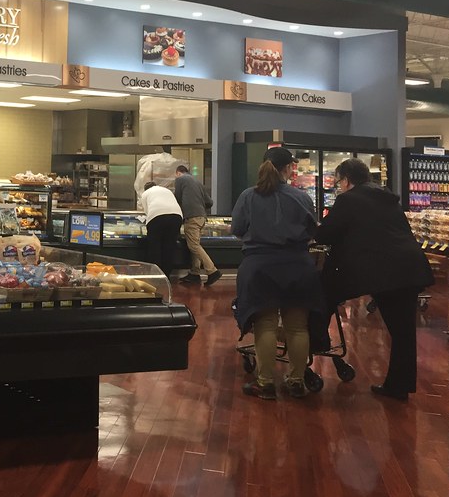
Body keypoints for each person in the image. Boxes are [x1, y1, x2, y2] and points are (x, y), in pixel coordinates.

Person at [315, 158, 433, 401]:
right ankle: (399, 386)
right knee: (403, 332)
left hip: (381, 271)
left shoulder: (348, 199)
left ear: (346, 180)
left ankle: (317, 342)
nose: (339, 187)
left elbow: (326, 233)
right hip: (409, 265)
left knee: (326, 295)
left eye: (339, 182)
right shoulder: (387, 197)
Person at [232, 146, 323, 400]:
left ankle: (265, 383)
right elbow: (312, 229)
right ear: (287, 169)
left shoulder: (248, 196)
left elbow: (238, 228)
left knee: (266, 324)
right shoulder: (301, 197)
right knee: (297, 327)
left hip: (260, 267)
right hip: (298, 265)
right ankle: (296, 381)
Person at [174, 165, 220, 286]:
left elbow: (177, 198)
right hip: (201, 217)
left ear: (178, 173)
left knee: (193, 246)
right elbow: (209, 202)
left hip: (192, 217)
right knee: (195, 244)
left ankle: (212, 270)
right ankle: (195, 273)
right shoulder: (197, 182)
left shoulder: (180, 180)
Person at [137, 181, 183, 279]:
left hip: (156, 217)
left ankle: (156, 275)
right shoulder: (167, 190)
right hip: (177, 216)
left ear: (146, 189)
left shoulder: (145, 193)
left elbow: (147, 212)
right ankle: (167, 275)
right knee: (169, 247)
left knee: (155, 247)